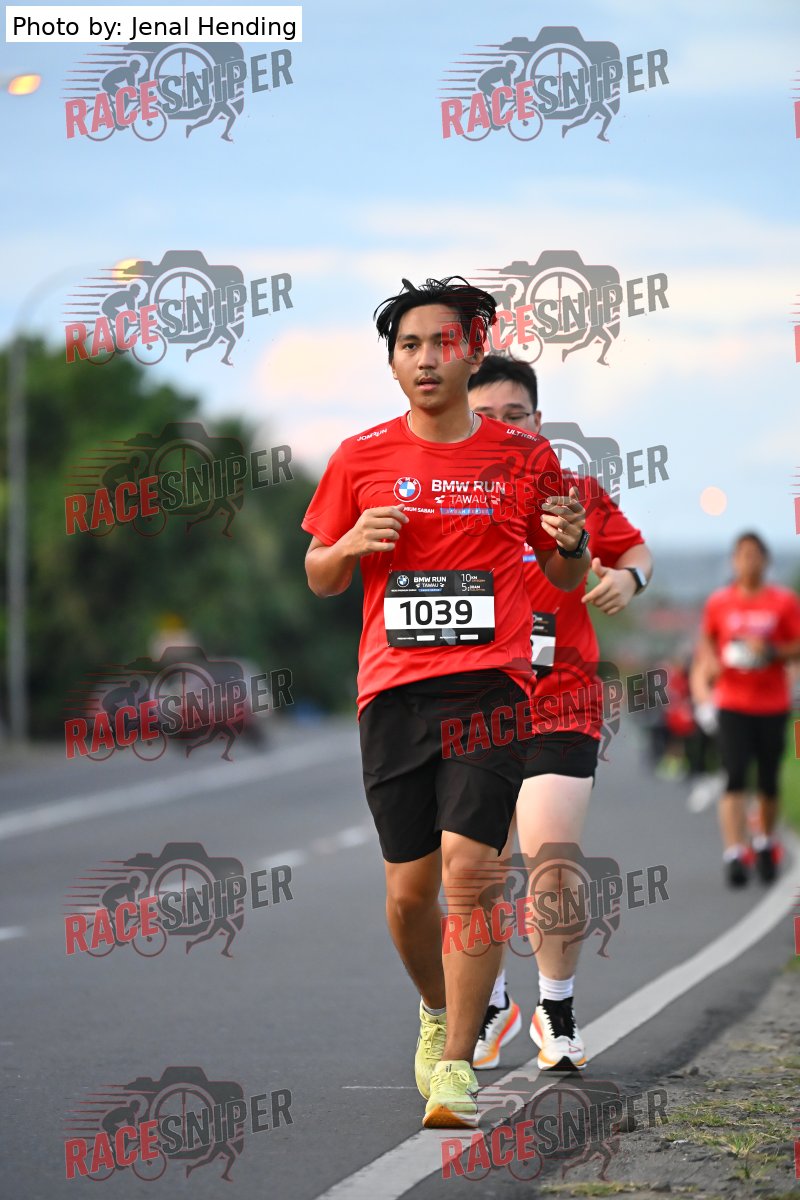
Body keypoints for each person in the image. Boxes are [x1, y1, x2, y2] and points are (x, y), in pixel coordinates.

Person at [301, 278, 590, 1128]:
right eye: (410, 346)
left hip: (491, 685)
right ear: (394, 364)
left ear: (472, 352)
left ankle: (458, 1065)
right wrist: (350, 544)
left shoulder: (524, 458)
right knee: (409, 895)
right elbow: (319, 575)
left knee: (473, 871)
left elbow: (562, 572)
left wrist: (572, 543)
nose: (426, 358)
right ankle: (437, 1009)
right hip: (393, 692)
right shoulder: (359, 456)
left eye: (442, 343)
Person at [467, 354, 653, 1072]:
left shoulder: (574, 495)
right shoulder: (452, 499)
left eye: (515, 416)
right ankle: (491, 1003)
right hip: (473, 706)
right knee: (477, 870)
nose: (502, 428)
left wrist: (629, 579)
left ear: (538, 422)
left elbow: (635, 551)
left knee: (548, 859)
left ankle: (557, 1007)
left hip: (560, 703)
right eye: (484, 417)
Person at [690, 532, 800, 887]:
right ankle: (735, 852)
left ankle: (765, 840)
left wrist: (770, 650)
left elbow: (797, 645)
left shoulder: (783, 602)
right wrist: (711, 664)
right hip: (733, 703)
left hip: (771, 703)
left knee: (768, 779)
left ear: (766, 561)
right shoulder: (720, 602)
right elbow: (707, 641)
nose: (749, 561)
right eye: (742, 555)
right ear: (733, 561)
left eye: (755, 555)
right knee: (734, 774)